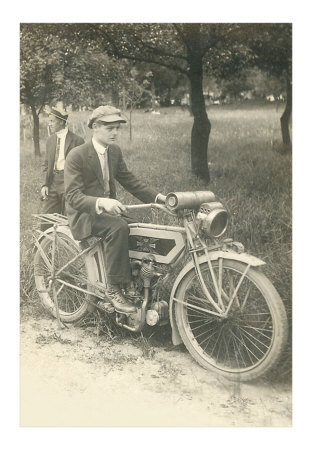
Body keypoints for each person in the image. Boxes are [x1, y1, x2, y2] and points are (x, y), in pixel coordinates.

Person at [64, 105, 165, 314]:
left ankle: (131, 279)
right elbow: (73, 197)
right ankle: (113, 287)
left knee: (138, 227)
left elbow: (131, 182)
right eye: (109, 128)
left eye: (117, 128)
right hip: (84, 214)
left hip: (108, 212)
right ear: (94, 127)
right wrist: (101, 202)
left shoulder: (114, 152)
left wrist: (160, 199)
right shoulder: (77, 155)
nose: (115, 133)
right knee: (118, 227)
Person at [41, 108, 84, 216]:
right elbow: (46, 164)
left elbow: (82, 167)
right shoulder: (50, 140)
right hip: (53, 182)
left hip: (69, 182)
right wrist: (45, 185)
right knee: (47, 219)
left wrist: (76, 186)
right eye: (49, 121)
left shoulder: (77, 141)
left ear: (61, 121)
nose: (49, 124)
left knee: (68, 219)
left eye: (52, 121)